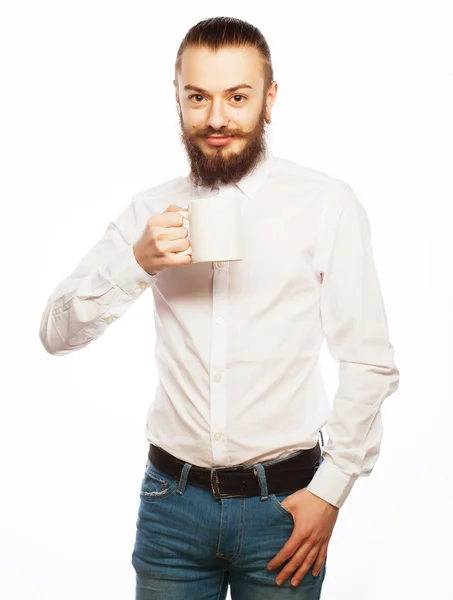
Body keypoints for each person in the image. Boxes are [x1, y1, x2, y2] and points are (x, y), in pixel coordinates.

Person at [39, 16, 400, 600]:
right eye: (198, 97)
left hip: (283, 507)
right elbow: (55, 332)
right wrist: (138, 263)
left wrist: (330, 491)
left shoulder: (325, 204)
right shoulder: (150, 209)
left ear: (269, 98)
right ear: (177, 99)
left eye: (237, 97)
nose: (216, 119)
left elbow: (368, 359)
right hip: (171, 509)